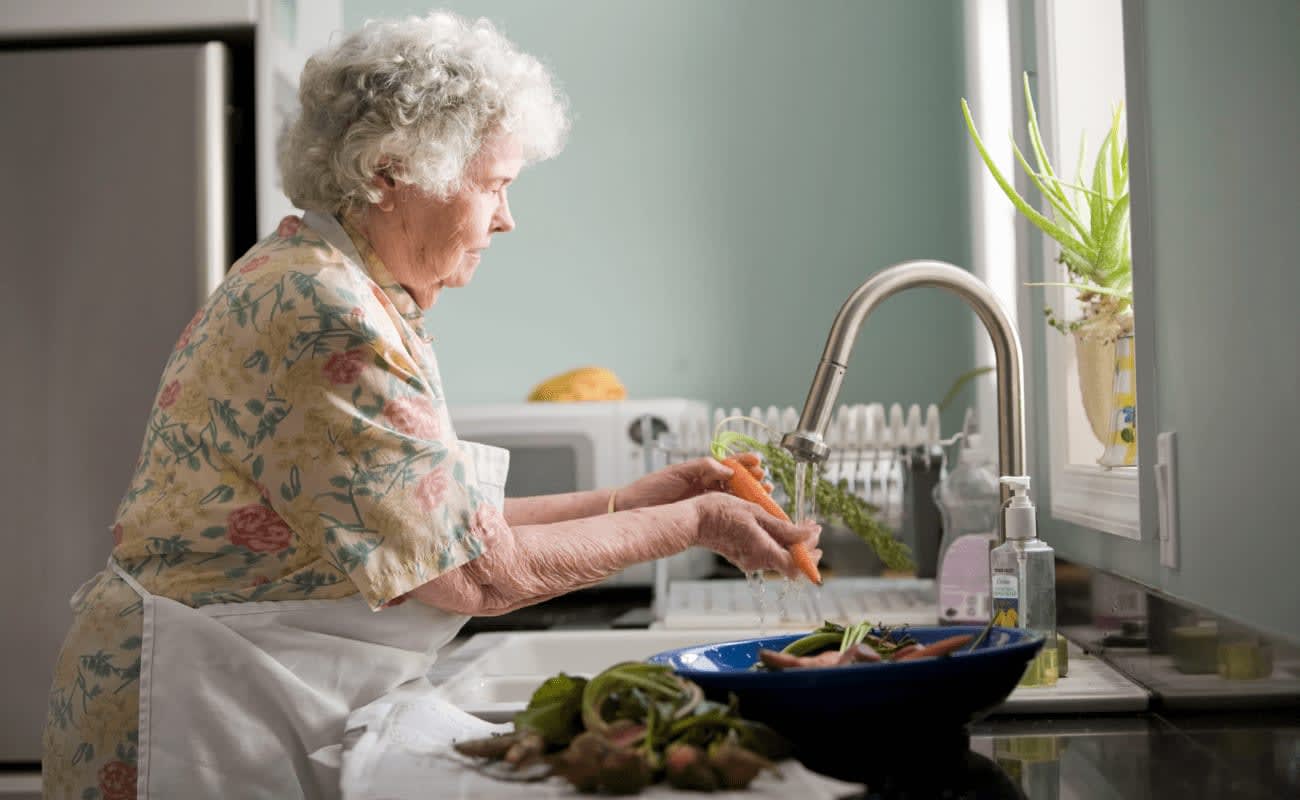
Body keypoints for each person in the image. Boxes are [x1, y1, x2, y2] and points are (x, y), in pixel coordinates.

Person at [42, 11, 820, 800]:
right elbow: (476, 575)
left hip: (244, 692)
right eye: (494, 185)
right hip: (194, 718)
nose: (507, 218)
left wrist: (638, 498)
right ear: (389, 173)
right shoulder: (324, 312)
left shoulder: (332, 283)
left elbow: (440, 528)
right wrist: (693, 523)